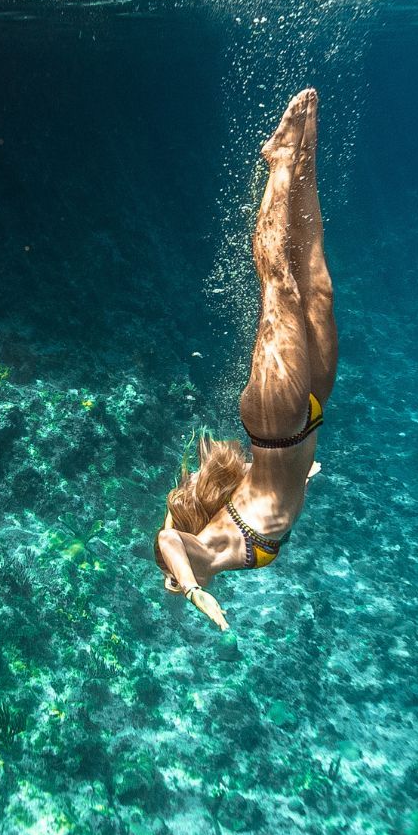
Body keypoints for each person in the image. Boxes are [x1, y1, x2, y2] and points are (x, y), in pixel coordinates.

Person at [156, 87, 337, 630]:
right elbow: (271, 495)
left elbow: (168, 537)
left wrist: (190, 591)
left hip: (275, 418)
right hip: (308, 414)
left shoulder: (209, 551)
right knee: (313, 278)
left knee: (277, 280)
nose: (174, 577)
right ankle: (304, 159)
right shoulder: (225, 523)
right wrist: (304, 476)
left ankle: (277, 160)